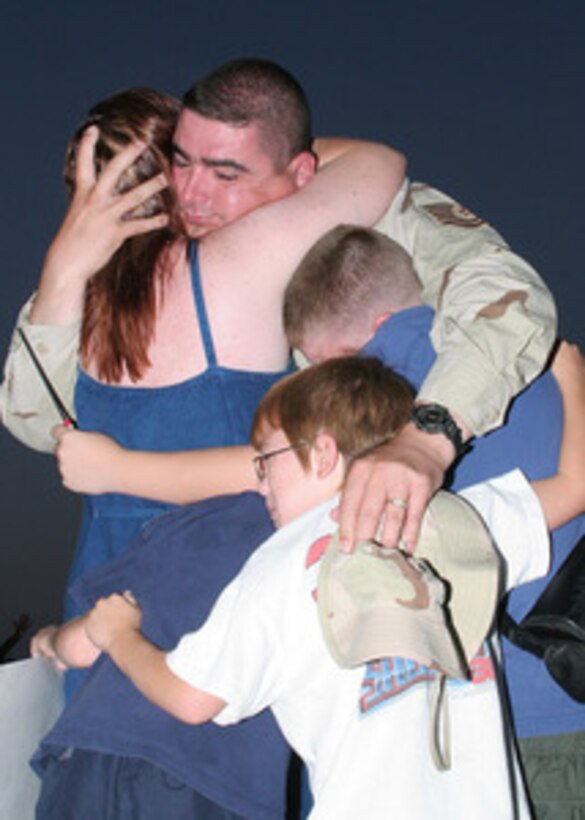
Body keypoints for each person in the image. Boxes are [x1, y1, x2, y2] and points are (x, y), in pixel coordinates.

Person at [1, 58, 557, 557]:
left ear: (301, 174)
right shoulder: (143, 265)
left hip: (456, 481)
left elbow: (507, 300)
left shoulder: (355, 209)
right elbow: (41, 423)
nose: (191, 198)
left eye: (226, 174)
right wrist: (64, 270)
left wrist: (426, 438)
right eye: (181, 163)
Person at [35, 350, 584, 819]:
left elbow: (190, 697)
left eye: (266, 461)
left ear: (322, 454)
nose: (260, 484)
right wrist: (568, 367)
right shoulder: (458, 519)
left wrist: (117, 633)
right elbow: (576, 485)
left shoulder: (280, 564)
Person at [1, 69, 404, 644]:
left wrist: (63, 267)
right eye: (185, 164)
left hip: (102, 618)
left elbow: (34, 422)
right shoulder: (240, 260)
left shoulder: (81, 304)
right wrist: (261, 156)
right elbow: (380, 163)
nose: (195, 189)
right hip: (231, 614)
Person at [282, 224, 585, 817]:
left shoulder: (376, 411)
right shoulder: (526, 361)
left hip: (506, 725)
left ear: (364, 339)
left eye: (323, 363)